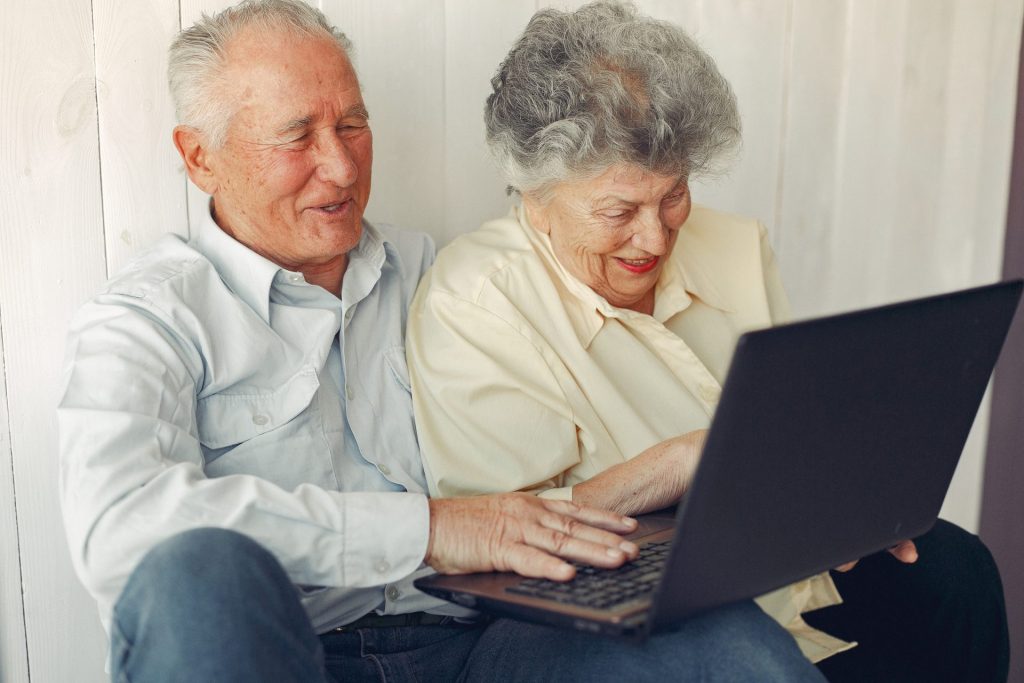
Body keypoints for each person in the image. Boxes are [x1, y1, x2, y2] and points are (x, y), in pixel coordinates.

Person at [56, 1, 830, 681]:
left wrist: (707, 466)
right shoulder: (148, 320)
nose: (341, 164)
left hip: (478, 649)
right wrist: (425, 530)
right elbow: (120, 527)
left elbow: (527, 505)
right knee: (196, 572)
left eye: (352, 124)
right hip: (287, 653)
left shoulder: (436, 272)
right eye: (297, 136)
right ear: (200, 157)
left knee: (721, 642)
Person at [406, 2, 1010, 682]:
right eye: (618, 211)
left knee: (956, 572)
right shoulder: (476, 299)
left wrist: (840, 502)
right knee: (737, 649)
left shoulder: (733, 246)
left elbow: (787, 430)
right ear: (534, 197)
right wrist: (674, 465)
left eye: (673, 195)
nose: (654, 237)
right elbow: (492, 546)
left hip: (761, 557)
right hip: (583, 601)